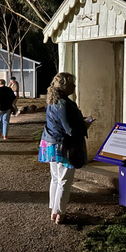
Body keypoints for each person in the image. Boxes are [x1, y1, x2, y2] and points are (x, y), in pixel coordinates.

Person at [38, 72, 93, 225]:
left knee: (56, 178)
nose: (74, 86)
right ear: (63, 86)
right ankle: (60, 214)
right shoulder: (64, 103)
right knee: (64, 180)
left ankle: (54, 210)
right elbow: (70, 129)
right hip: (64, 146)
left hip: (50, 142)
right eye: (71, 83)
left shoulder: (53, 100)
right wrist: (85, 125)